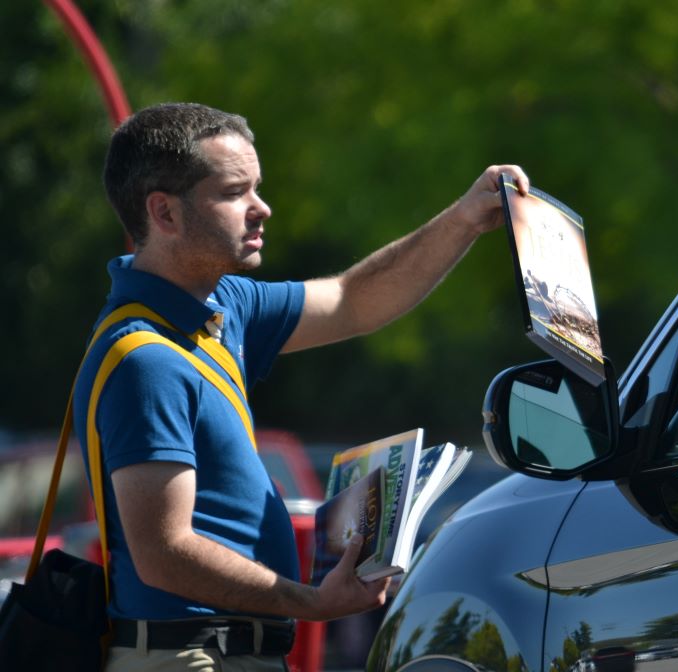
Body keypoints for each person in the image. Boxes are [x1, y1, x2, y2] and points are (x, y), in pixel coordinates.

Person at [72, 102, 529, 671]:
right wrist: (311, 604)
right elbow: (165, 554)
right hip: (188, 656)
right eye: (235, 192)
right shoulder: (144, 359)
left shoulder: (220, 304)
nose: (261, 208)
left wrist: (464, 219)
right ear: (163, 212)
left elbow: (352, 300)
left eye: (256, 187)